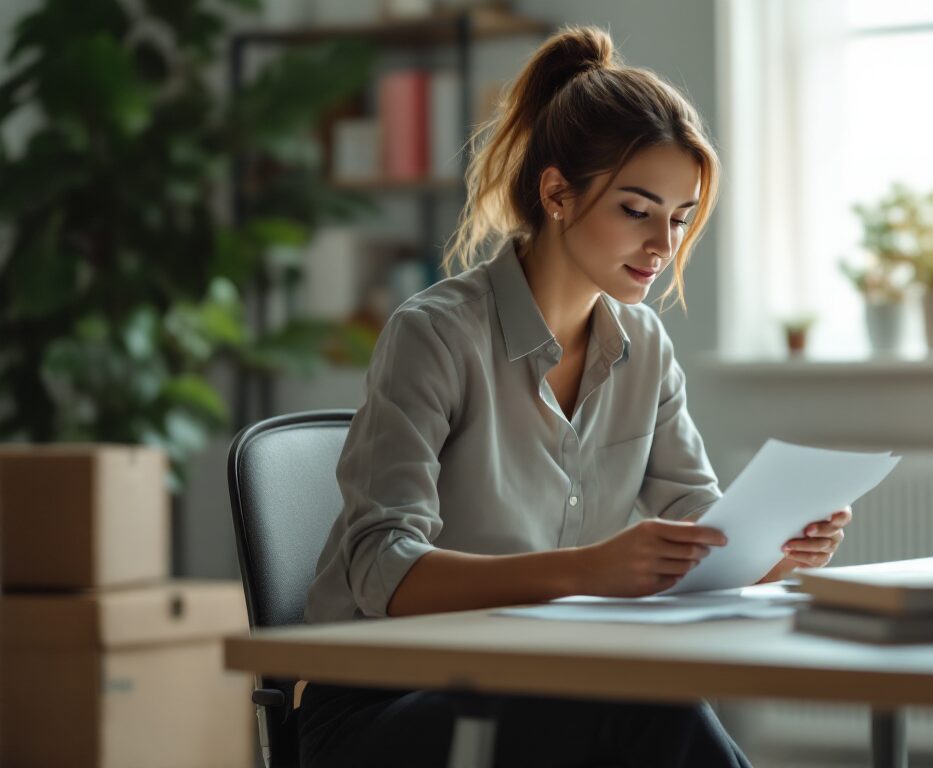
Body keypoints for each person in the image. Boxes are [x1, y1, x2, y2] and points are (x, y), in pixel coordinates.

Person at [297, 25, 853, 768]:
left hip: (543, 684)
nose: (664, 245)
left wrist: (777, 549)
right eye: (637, 210)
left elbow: (701, 527)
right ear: (558, 193)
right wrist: (590, 571)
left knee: (638, 695)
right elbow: (380, 569)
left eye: (679, 218)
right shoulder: (435, 334)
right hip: (385, 705)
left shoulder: (644, 346)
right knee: (635, 700)